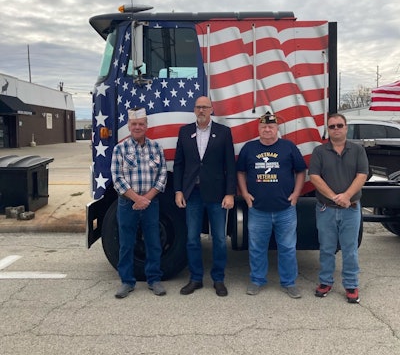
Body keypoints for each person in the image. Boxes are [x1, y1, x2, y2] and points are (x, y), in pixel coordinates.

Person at [237, 112, 306, 298]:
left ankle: (289, 283)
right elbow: (241, 172)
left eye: (271, 127)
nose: (267, 130)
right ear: (258, 129)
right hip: (258, 209)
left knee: (288, 248)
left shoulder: (289, 147)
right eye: (263, 127)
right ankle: (257, 280)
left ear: (277, 129)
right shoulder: (249, 148)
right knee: (257, 247)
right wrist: (245, 194)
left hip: (286, 209)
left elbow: (301, 171)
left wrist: (296, 194)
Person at [173, 96, 236, 297]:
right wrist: (178, 190)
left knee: (218, 239)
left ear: (211, 110)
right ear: (194, 110)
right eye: (198, 107)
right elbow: (179, 164)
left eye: (205, 107)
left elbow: (230, 166)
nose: (201, 110)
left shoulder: (224, 133)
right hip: (192, 194)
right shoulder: (184, 132)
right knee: (192, 238)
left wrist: (230, 193)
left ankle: (218, 279)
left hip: (217, 194)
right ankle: (196, 278)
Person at [309, 113, 368, 303]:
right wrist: (335, 197)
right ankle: (325, 282)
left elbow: (362, 175)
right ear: (328, 129)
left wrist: (347, 196)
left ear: (346, 127)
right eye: (332, 126)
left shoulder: (358, 150)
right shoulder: (319, 151)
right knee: (326, 248)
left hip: (350, 208)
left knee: (350, 248)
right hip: (326, 208)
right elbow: (315, 177)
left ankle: (351, 285)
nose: (336, 129)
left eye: (339, 125)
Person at [111, 107, 167, 298]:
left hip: (150, 203)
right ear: (128, 126)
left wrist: (146, 199)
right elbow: (117, 179)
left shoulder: (156, 148)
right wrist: (137, 199)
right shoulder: (120, 149)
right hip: (128, 204)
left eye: (141, 124)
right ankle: (127, 281)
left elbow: (162, 176)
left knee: (153, 242)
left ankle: (154, 280)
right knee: (126, 243)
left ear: (146, 126)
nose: (137, 127)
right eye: (134, 124)